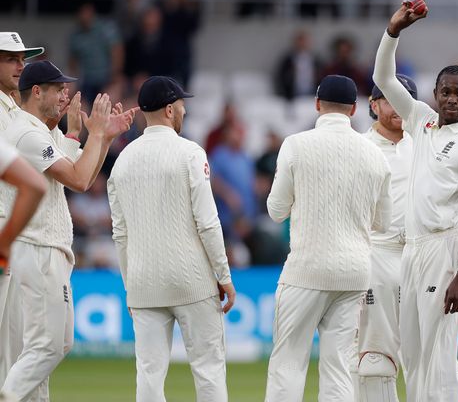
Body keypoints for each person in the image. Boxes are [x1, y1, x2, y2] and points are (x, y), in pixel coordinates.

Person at [372, 0, 458, 402]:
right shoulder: (422, 121)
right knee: (414, 353)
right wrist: (394, 30)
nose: (452, 99)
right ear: (435, 94)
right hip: (412, 250)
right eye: (446, 92)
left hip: (444, 250)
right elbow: (384, 77)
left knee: (438, 355)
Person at [0, 60, 134, 401]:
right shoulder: (27, 132)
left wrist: (101, 140)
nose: (65, 95)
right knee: (50, 345)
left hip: (45, 248)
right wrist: (98, 134)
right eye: (58, 89)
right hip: (38, 248)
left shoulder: (45, 132)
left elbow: (83, 177)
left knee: (39, 348)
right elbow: (77, 178)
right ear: (36, 92)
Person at [265, 74, 392, 402]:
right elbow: (383, 222)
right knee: (338, 367)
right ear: (353, 109)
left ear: (318, 104)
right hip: (354, 274)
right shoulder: (375, 155)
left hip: (307, 269)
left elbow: (276, 210)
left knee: (288, 363)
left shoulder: (296, 144)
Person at [108, 76, 235, 402]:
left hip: (144, 283)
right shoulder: (190, 152)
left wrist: (129, 285)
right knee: (208, 370)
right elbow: (207, 222)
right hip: (191, 280)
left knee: (148, 374)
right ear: (168, 109)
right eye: (181, 104)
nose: (184, 109)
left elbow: (120, 235)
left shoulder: (122, 162)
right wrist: (223, 275)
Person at [352, 74, 417, 401]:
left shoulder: (428, 146)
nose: (397, 108)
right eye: (390, 99)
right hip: (375, 254)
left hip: (422, 255)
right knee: (375, 358)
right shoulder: (358, 148)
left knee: (432, 359)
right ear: (373, 105)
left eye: (405, 98)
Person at [0, 31, 46, 392]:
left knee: (13, 345)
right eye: (10, 59)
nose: (20, 66)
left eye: (22, 59)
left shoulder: (12, 108)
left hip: (11, 236)